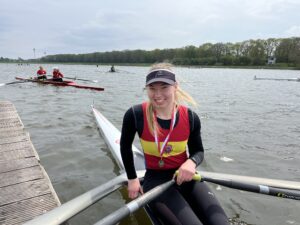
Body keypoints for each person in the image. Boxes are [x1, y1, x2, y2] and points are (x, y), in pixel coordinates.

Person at [120, 63, 229, 225]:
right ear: (146, 89)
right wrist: (132, 179)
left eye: (164, 87)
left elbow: (198, 151)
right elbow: (125, 147)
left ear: (175, 87)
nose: (157, 95)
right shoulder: (135, 115)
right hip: (156, 180)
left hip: (185, 176)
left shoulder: (191, 118)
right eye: (152, 88)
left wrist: (191, 162)